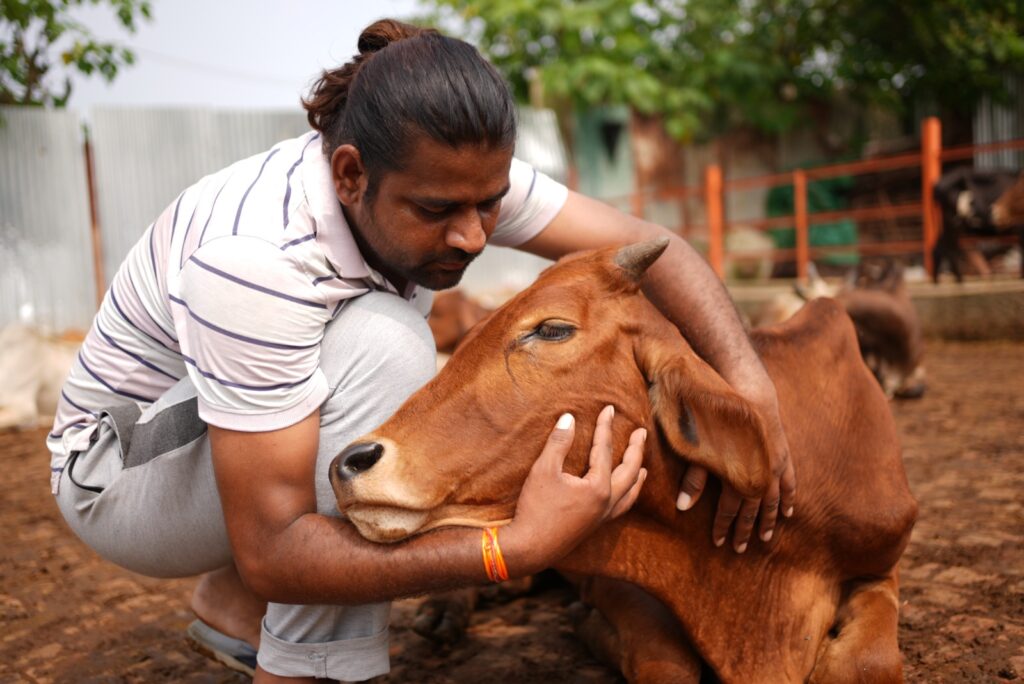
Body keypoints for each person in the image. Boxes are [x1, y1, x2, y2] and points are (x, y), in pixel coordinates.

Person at [48, 19, 795, 683]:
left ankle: (233, 609)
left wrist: (750, 395)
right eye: (438, 212)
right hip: (118, 477)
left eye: (490, 205)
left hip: (219, 444)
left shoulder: (449, 172)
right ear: (349, 174)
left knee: (388, 371)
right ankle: (307, 669)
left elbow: (654, 251)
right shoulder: (255, 262)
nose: (473, 237)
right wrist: (511, 550)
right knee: (385, 342)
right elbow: (274, 547)